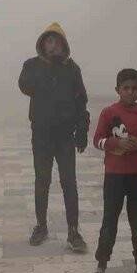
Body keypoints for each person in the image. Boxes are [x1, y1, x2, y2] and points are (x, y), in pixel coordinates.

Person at [18, 23, 89, 252]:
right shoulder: (31, 65)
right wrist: (46, 67)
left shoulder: (72, 68)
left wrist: (82, 130)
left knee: (69, 182)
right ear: (42, 43)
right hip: (41, 134)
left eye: (57, 41)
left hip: (65, 135)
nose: (53, 45)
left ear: (63, 44)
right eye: (49, 41)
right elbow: (25, 86)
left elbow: (81, 100)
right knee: (42, 180)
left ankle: (73, 231)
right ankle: (41, 226)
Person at [86, 69, 137, 273]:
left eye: (134, 88)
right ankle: (101, 267)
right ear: (117, 90)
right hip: (114, 177)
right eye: (126, 88)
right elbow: (97, 140)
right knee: (109, 221)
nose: (130, 92)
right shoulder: (108, 113)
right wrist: (115, 144)